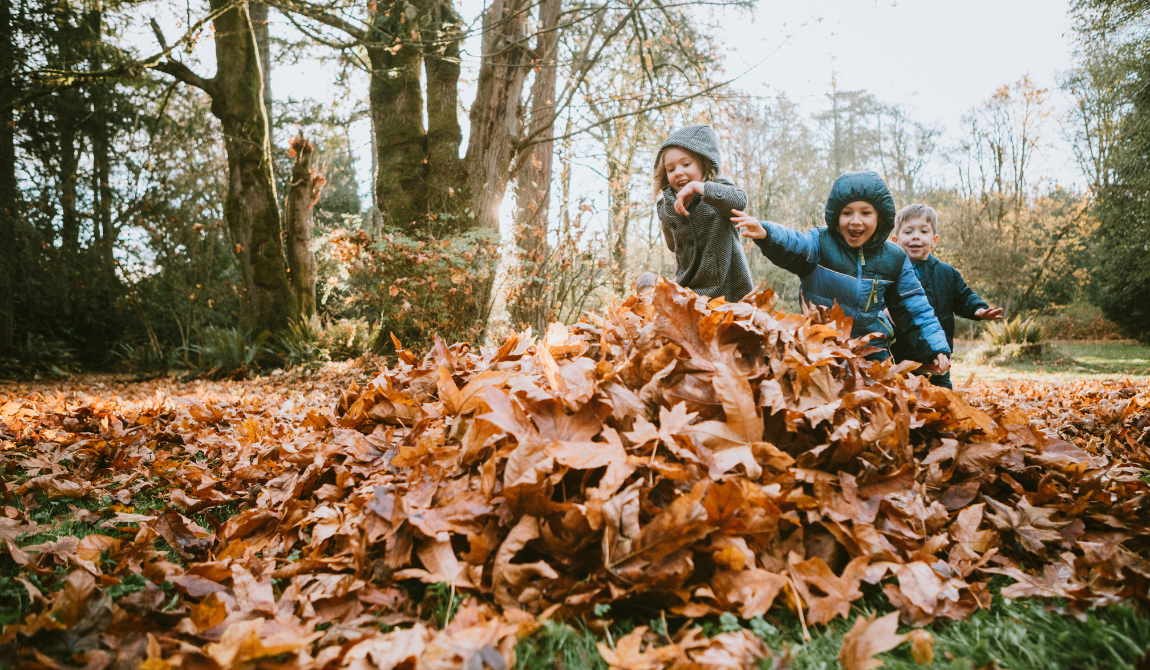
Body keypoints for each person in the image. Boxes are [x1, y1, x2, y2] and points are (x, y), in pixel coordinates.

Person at [731, 171, 951, 372]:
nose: (855, 220)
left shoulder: (894, 258)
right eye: (847, 213)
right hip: (822, 343)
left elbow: (916, 307)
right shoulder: (819, 243)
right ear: (836, 217)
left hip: (870, 347)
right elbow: (795, 242)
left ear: (880, 218)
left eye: (866, 213)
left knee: (880, 398)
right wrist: (767, 233)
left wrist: (936, 348)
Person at [887, 204, 1004, 388]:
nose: (916, 236)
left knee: (943, 406)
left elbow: (964, 296)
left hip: (937, 364)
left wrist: (978, 308)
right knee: (904, 406)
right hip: (901, 362)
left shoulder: (946, 273)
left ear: (934, 240)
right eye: (908, 232)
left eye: (923, 231)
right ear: (895, 241)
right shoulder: (889, 275)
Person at [654, 125, 754, 303]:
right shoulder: (667, 207)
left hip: (728, 293)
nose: (678, 172)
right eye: (670, 169)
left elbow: (740, 201)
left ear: (704, 162)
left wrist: (697, 187)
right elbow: (673, 246)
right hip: (689, 293)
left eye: (686, 164)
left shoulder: (718, 192)